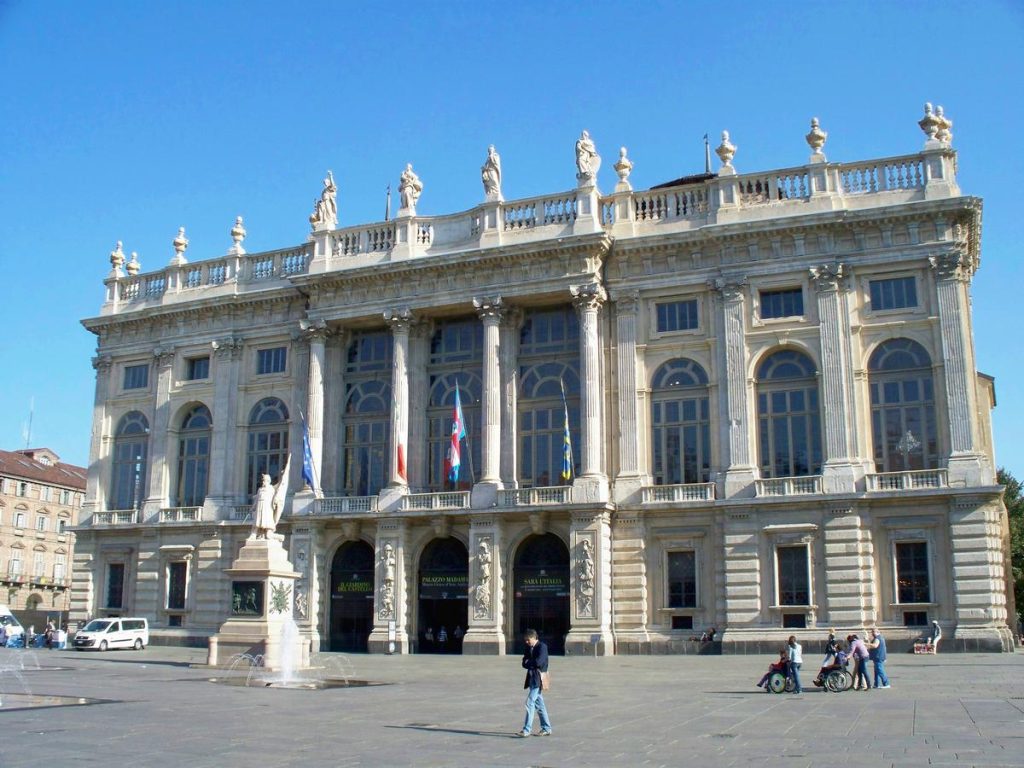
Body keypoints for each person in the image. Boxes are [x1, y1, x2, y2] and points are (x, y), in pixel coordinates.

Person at [518, 628, 551, 737]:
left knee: (529, 702)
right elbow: (524, 662)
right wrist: (529, 663)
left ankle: (526, 729)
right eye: (525, 640)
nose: (527, 642)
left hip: (539, 678)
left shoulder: (542, 647)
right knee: (539, 704)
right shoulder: (528, 647)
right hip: (531, 677)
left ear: (534, 637)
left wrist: (529, 662)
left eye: (528, 640)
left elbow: (539, 662)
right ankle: (546, 727)